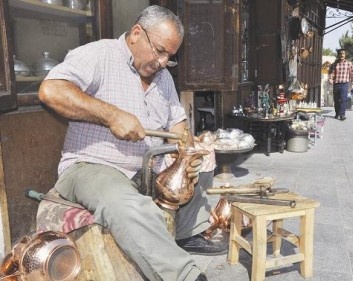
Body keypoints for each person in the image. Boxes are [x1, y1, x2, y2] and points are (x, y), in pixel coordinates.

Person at [38, 5, 225, 281]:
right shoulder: (100, 55)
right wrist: (111, 115)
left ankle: (185, 234)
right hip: (93, 166)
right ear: (137, 33)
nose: (163, 62)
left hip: (148, 170)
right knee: (123, 202)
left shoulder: (163, 79)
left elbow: (178, 125)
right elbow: (50, 90)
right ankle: (185, 275)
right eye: (159, 51)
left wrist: (187, 151)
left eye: (170, 57)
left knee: (202, 167)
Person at [328, 48, 353, 121]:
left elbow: (352, 73)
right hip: (336, 84)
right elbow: (331, 72)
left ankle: (342, 115)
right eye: (340, 54)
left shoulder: (349, 64)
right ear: (338, 55)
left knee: (343, 99)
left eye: (343, 54)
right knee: (336, 100)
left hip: (344, 84)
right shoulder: (334, 64)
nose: (342, 55)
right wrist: (330, 79)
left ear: (345, 55)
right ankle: (337, 113)